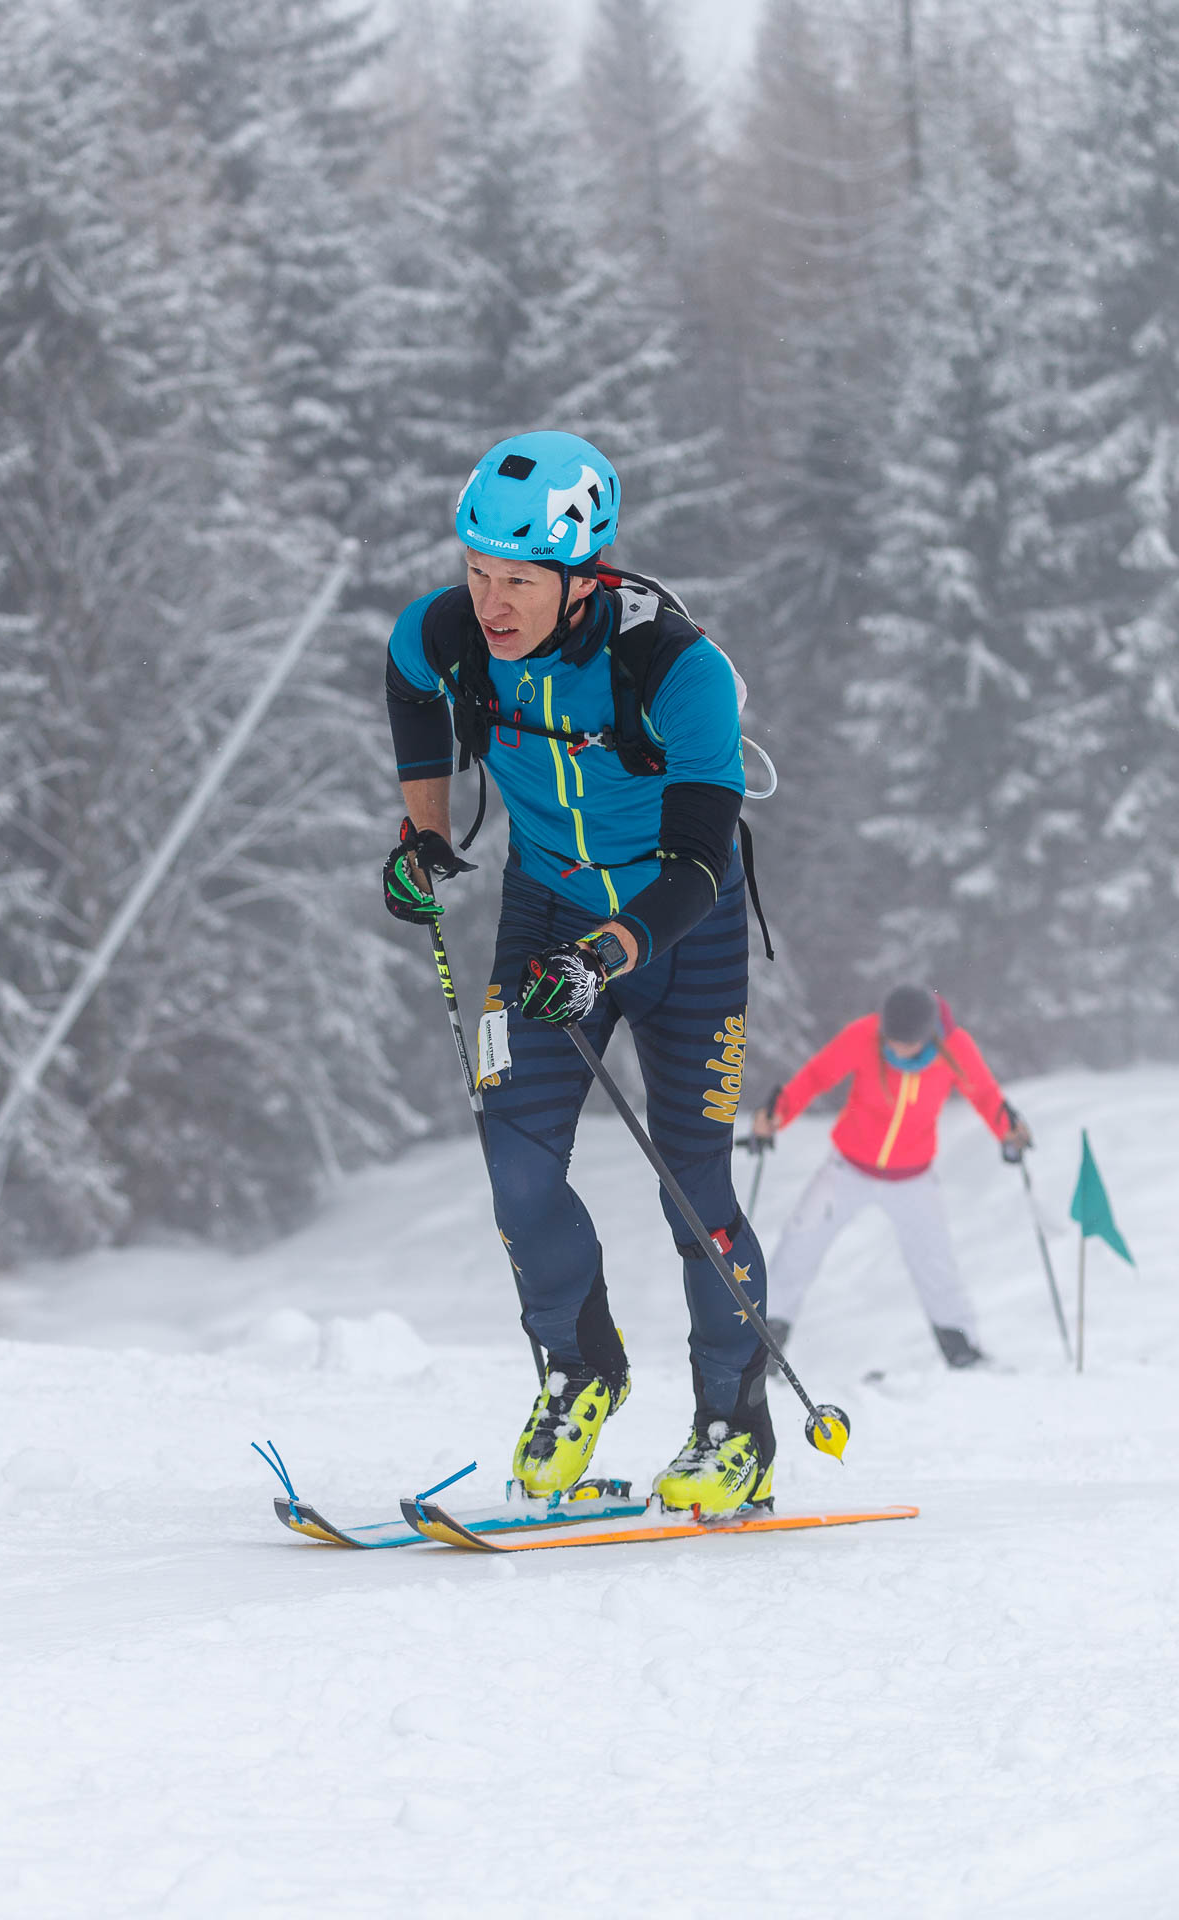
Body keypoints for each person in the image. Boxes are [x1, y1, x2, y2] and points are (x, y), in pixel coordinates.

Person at [381, 429, 774, 1516]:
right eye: (476, 573)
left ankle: (730, 1424)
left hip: (675, 935)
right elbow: (408, 684)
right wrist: (423, 837)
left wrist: (608, 954)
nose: (490, 604)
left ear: (583, 574)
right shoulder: (449, 633)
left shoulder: (674, 671)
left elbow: (700, 860)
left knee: (691, 1187)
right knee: (514, 1161)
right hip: (541, 914)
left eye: (517, 581)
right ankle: (578, 1372)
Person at [752, 984, 1032, 1367]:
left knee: (934, 1260)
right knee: (799, 1244)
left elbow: (984, 1093)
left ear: (928, 1033)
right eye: (892, 1041)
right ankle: (766, 1341)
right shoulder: (864, 1034)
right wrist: (777, 1114)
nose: (897, 1050)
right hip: (847, 1168)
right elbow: (817, 1076)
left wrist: (1008, 1131)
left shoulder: (956, 1048)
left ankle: (959, 1346)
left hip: (913, 1179)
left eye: (907, 1043)